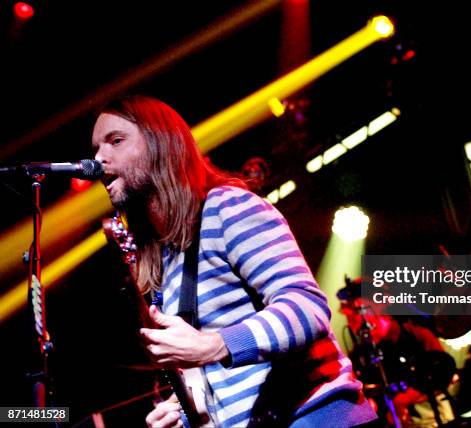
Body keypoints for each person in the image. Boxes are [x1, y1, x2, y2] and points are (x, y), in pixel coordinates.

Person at [91, 95, 377, 428]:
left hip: (314, 417)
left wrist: (214, 345)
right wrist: (186, 407)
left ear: (159, 144)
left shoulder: (229, 208)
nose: (98, 158)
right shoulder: (167, 260)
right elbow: (216, 369)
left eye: (115, 141)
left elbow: (307, 308)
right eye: (96, 148)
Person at [337, 279, 455, 428]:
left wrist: (404, 399)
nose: (351, 318)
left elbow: (445, 373)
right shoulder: (359, 355)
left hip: (434, 422)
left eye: (356, 310)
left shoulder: (417, 336)